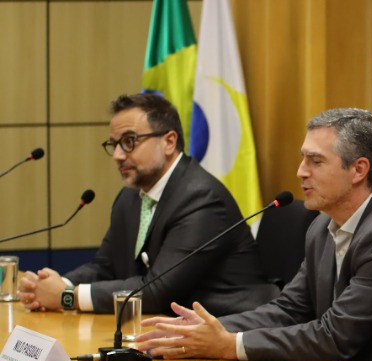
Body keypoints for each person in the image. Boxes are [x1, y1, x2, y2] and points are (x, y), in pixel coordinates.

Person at [136, 107, 372, 361]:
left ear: (358, 169)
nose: (301, 172)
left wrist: (227, 344)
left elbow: (334, 337)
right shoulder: (322, 226)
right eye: (303, 159)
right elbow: (289, 309)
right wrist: (204, 331)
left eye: (315, 161)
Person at [17, 93, 278, 316]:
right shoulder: (131, 196)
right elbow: (106, 266)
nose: (118, 155)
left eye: (130, 141)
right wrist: (55, 284)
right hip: (170, 328)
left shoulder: (201, 198)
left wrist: (67, 296)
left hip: (229, 327)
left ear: (169, 141)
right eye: (114, 144)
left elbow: (156, 292)